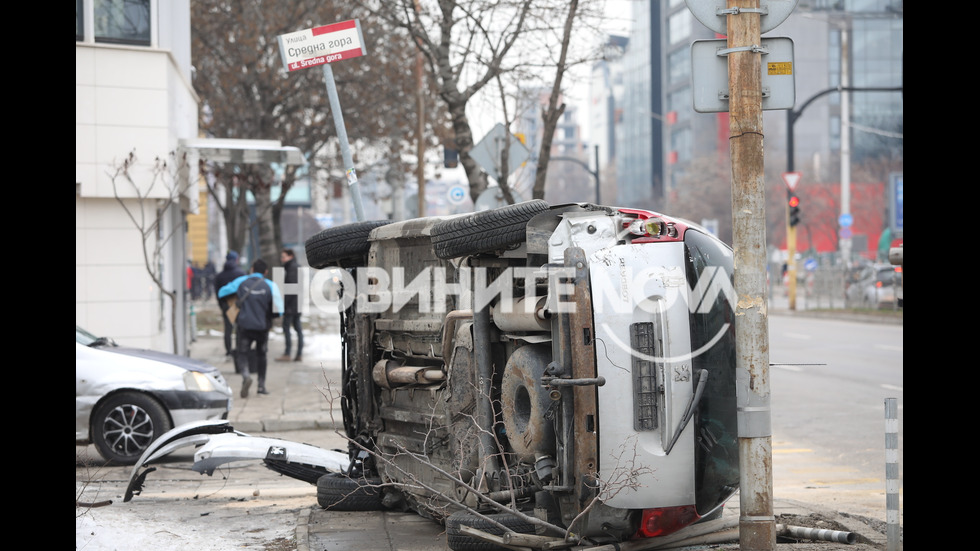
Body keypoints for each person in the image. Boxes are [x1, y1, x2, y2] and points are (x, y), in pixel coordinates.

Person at [218, 258, 283, 398]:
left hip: (244, 326)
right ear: (265, 272)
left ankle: (246, 376)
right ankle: (261, 386)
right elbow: (279, 310)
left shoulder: (241, 282)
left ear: (252, 269)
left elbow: (222, 292)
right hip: (262, 327)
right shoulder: (271, 285)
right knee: (262, 355)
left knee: (242, 353)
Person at [214, 251, 246, 357]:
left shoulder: (220, 276)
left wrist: (221, 305)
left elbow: (217, 292)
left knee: (228, 329)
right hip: (238, 303)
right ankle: (238, 349)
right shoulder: (241, 274)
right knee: (239, 328)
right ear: (236, 260)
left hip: (225, 304)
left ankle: (228, 351)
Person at [276, 248, 304, 362]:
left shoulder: (292, 268)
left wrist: (285, 305)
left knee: (287, 327)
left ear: (290, 256)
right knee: (298, 329)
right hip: (297, 304)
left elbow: (291, 289)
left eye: (284, 257)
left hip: (291, 305)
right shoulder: (295, 267)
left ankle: (288, 353)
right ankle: (298, 354)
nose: (282, 259)